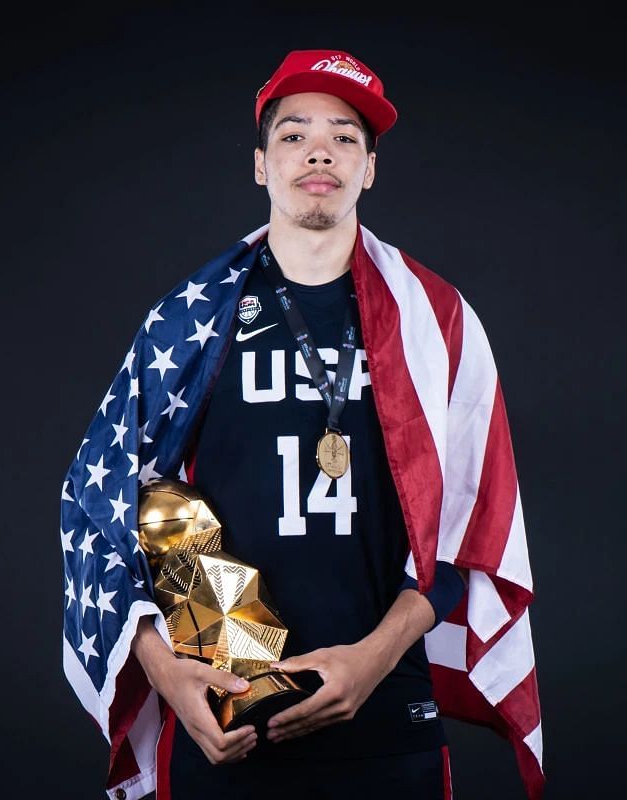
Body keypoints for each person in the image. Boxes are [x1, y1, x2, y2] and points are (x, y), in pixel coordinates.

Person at [60, 49, 544, 800]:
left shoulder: (437, 319)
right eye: (294, 135)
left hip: (384, 711)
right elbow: (105, 506)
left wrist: (373, 659)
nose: (319, 150)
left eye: (345, 136)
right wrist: (162, 666)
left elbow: (471, 530)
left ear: (369, 170)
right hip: (226, 711)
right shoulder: (186, 323)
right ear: (260, 166)